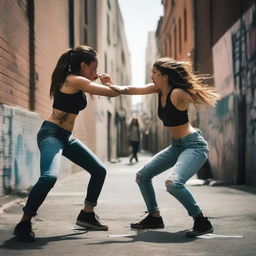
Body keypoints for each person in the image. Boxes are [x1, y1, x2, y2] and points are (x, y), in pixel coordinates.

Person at [14, 45, 125, 242]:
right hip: (51, 134)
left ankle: (87, 214)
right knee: (49, 177)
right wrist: (109, 83)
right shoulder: (74, 79)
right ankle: (24, 222)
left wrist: (103, 83)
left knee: (99, 170)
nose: (95, 73)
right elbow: (112, 93)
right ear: (83, 66)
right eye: (93, 68)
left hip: (66, 136)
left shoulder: (78, 81)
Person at [100, 57, 220, 237]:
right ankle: (154, 216)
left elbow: (193, 95)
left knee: (173, 184)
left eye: (154, 73)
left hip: (193, 146)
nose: (151, 76)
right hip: (176, 146)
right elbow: (129, 89)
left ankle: (201, 221)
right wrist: (111, 85)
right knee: (143, 175)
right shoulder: (157, 89)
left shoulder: (177, 93)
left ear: (164, 75)